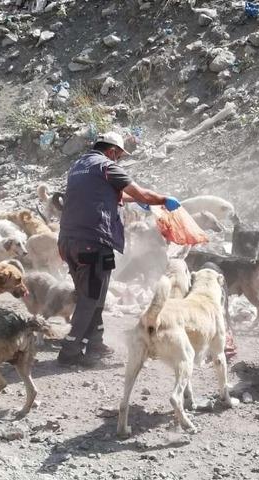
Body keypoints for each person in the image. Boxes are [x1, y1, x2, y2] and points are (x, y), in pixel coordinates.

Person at [57, 132, 181, 367]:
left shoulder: (79, 166)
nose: (119, 161)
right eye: (119, 156)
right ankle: (70, 350)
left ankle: (95, 342)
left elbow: (109, 193)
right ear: (112, 151)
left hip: (68, 242)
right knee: (90, 297)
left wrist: (135, 200)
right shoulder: (106, 166)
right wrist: (163, 199)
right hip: (93, 241)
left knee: (96, 295)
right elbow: (141, 192)